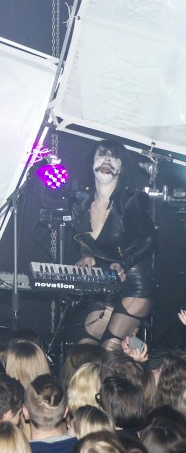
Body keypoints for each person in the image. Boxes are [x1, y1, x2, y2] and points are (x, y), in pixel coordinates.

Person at [73, 139, 156, 350]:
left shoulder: (131, 199)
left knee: (110, 348)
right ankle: (139, 352)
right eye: (101, 155)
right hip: (106, 286)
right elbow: (84, 240)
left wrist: (124, 264)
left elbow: (150, 239)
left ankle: (141, 354)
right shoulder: (81, 203)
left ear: (121, 168)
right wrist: (86, 254)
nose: (107, 160)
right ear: (92, 163)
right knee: (83, 349)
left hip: (134, 284)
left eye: (114, 157)